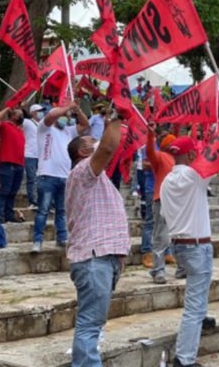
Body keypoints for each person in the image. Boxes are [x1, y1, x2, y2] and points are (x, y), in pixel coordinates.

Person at [65, 114, 130, 367]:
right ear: (83, 151)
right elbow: (108, 147)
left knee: (92, 324)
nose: (99, 136)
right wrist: (117, 116)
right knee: (90, 325)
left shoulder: (95, 177)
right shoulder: (83, 171)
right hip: (94, 259)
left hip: (103, 258)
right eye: (92, 138)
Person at [160, 137, 216, 367]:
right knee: (193, 306)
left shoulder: (166, 181)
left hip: (179, 243)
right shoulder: (195, 175)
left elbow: (164, 215)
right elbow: (218, 157)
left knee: (197, 299)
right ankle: (184, 359)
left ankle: (200, 321)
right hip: (196, 244)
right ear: (192, 155)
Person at [32, 103, 89, 253]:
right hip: (47, 176)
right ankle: (37, 241)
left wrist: (77, 109)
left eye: (66, 116)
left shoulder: (69, 132)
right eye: (62, 115)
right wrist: (68, 106)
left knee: (62, 211)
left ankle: (62, 238)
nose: (65, 118)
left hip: (65, 176)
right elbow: (51, 116)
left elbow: (85, 124)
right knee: (43, 210)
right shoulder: (44, 128)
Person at [145, 123, 177, 284]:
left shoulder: (180, 160)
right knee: (161, 237)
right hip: (162, 200)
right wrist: (150, 135)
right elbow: (149, 151)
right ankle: (158, 270)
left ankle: (182, 268)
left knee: (179, 236)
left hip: (177, 203)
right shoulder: (159, 156)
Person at [0, 107, 26, 224]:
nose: (21, 116)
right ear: (12, 115)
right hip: (7, 163)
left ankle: (8, 213)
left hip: (19, 164)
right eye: (19, 114)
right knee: (3, 191)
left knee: (13, 192)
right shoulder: (5, 125)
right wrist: (6, 109)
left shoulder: (20, 130)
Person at [22, 104, 43, 209]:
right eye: (38, 111)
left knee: (40, 179)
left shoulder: (43, 124)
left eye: (42, 111)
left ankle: (41, 201)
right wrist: (22, 107)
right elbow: (20, 117)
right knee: (31, 179)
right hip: (30, 154)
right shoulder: (27, 122)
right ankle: (32, 201)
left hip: (41, 156)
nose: (41, 112)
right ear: (33, 112)